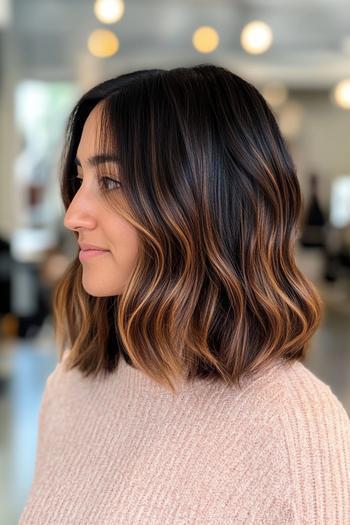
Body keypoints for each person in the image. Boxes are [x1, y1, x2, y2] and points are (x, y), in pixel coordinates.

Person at [18, 64, 350, 524]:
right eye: (79, 179)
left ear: (201, 203)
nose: (73, 213)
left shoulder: (294, 427)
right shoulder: (73, 386)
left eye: (110, 181)